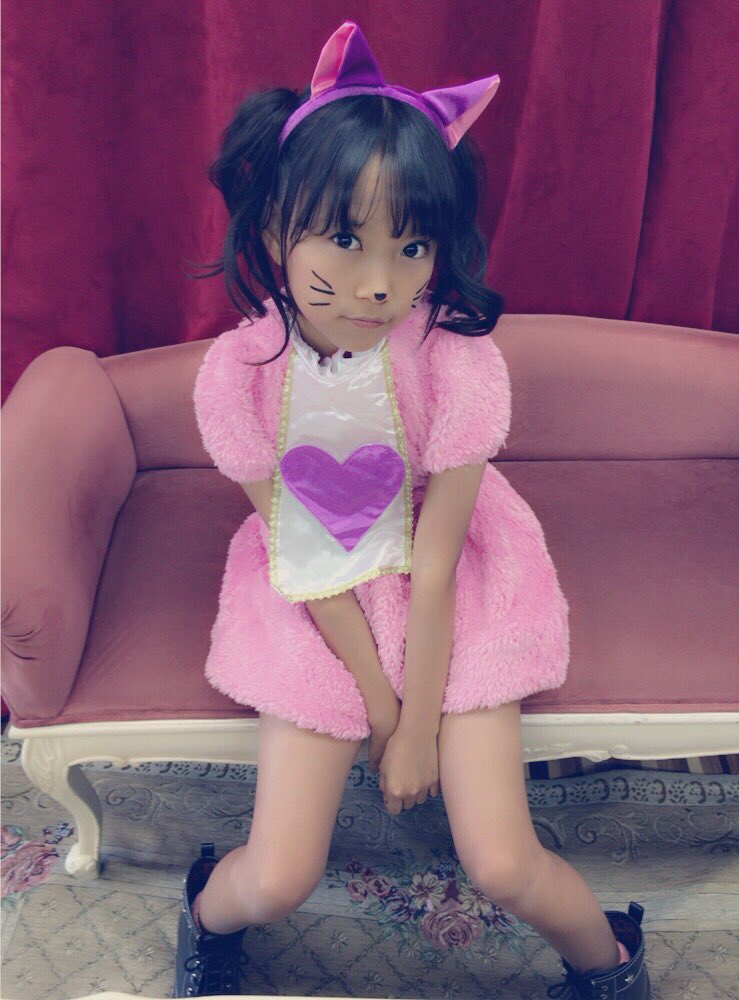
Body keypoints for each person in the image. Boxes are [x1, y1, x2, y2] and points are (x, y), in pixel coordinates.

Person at [174, 20, 651, 1000]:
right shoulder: (238, 379)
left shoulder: (455, 360)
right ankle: (201, 915)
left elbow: (434, 567)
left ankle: (610, 963)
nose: (379, 283)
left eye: (413, 244)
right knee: (276, 877)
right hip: (313, 597)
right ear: (274, 229)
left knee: (504, 864)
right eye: (345, 239)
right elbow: (305, 557)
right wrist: (383, 711)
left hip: (455, 583)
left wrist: (420, 730)